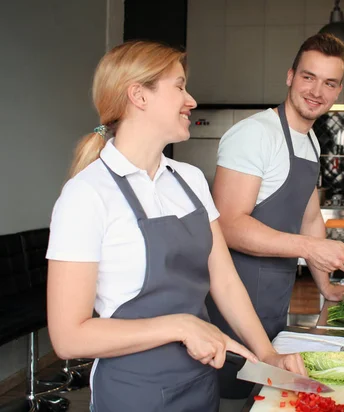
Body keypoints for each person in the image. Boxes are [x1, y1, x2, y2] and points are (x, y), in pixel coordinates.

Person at [45, 41, 305, 412]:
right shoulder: (86, 195)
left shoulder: (190, 179)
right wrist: (181, 326)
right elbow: (69, 337)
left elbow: (225, 279)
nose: (192, 100)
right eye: (179, 85)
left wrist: (267, 353)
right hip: (134, 393)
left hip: (200, 381)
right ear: (139, 95)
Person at [205, 33, 344, 398]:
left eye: (329, 83)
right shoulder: (255, 135)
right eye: (308, 77)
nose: (316, 91)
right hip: (231, 300)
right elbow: (228, 225)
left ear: (338, 91)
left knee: (261, 397)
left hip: (274, 301)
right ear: (290, 76)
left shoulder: (310, 140)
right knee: (228, 396)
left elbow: (310, 219)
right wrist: (307, 247)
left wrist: (326, 287)